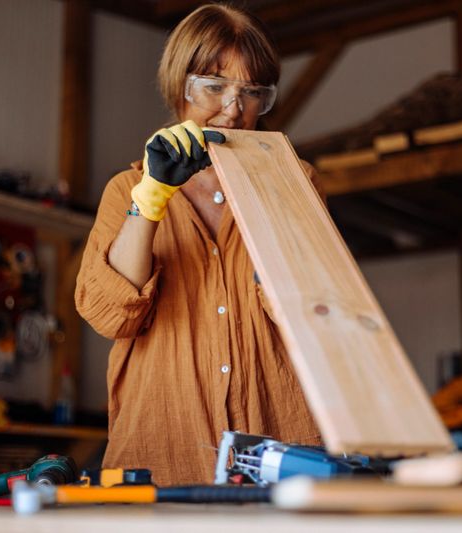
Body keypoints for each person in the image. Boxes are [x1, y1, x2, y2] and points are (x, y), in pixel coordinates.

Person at [75, 3, 323, 486]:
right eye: (215, 87)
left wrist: (274, 188)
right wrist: (150, 197)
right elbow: (111, 314)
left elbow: (312, 310)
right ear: (180, 86)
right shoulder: (124, 191)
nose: (234, 108)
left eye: (253, 92)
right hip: (162, 452)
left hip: (278, 451)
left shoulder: (297, 182)